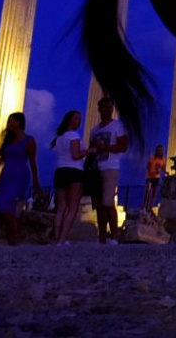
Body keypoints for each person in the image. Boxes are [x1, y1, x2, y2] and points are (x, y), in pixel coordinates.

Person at [0, 112, 40, 246]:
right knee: (1, 205)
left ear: (19, 123)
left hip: (20, 175)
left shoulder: (29, 140)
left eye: (12, 121)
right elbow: (1, 160)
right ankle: (11, 239)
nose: (9, 124)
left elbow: (33, 161)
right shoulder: (9, 139)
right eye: (9, 121)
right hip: (6, 175)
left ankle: (13, 239)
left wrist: (36, 181)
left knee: (7, 205)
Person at [89, 96, 128, 244]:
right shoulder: (94, 130)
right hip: (97, 169)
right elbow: (92, 149)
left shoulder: (118, 126)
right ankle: (102, 237)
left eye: (111, 107)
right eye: (105, 107)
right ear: (99, 109)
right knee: (99, 205)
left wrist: (105, 147)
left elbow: (123, 146)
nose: (108, 110)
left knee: (108, 202)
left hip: (111, 167)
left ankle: (114, 237)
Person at [51, 110, 93, 245]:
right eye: (76, 119)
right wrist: (89, 151)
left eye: (80, 119)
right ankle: (62, 240)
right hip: (74, 171)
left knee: (61, 207)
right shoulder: (73, 136)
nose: (79, 121)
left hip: (60, 171)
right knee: (73, 207)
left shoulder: (59, 138)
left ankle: (57, 238)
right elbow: (76, 155)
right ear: (69, 120)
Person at [142, 144, 167, 213]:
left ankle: (150, 207)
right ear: (157, 151)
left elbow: (162, 167)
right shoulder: (152, 158)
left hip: (156, 178)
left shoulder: (163, 159)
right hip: (150, 177)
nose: (160, 151)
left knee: (154, 193)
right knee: (147, 191)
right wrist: (150, 171)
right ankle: (144, 206)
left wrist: (166, 172)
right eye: (159, 150)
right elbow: (148, 165)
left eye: (161, 150)